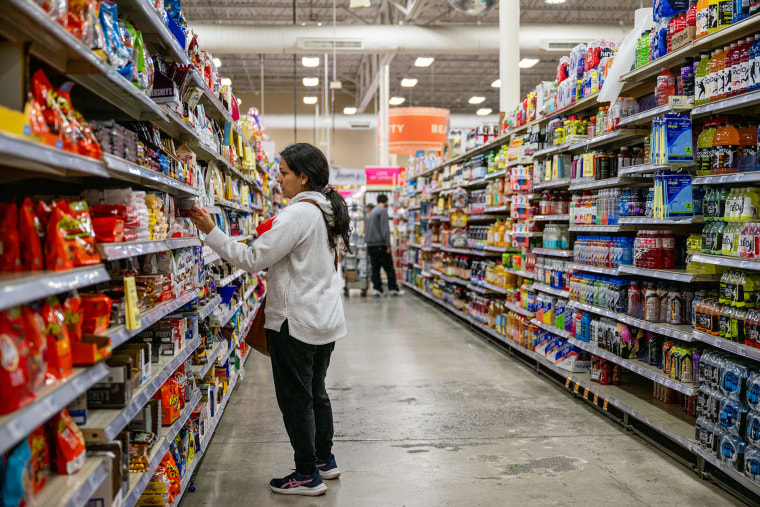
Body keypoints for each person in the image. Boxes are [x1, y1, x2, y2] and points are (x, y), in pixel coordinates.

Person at [188, 143, 350, 497]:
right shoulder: (326, 211)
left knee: (296, 400)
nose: (278, 180)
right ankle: (325, 459)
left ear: (303, 177)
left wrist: (210, 230)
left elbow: (251, 258)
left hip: (297, 322)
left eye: (284, 173)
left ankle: (307, 475)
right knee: (317, 393)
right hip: (325, 320)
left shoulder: (298, 215)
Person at [365, 194, 402, 297]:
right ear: (386, 202)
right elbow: (385, 229)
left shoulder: (372, 212)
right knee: (389, 267)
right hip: (380, 244)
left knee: (375, 268)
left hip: (371, 245)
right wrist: (388, 245)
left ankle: (377, 289)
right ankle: (393, 288)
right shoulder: (382, 211)